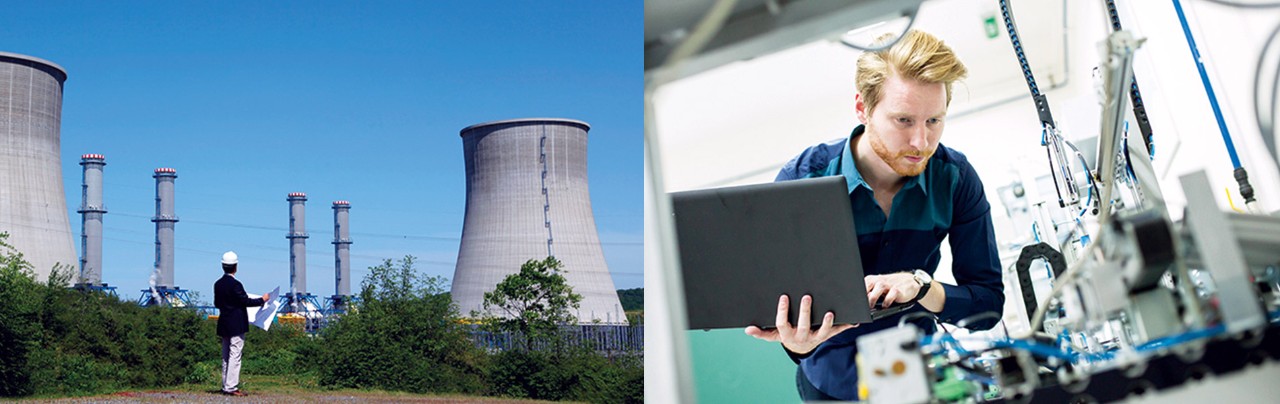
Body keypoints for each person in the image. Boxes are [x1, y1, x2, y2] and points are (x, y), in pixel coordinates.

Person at [744, 29, 1005, 401]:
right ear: (862, 109)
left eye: (934, 121)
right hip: (831, 384)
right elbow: (784, 315)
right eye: (904, 121)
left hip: (918, 377)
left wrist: (920, 285)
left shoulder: (956, 178)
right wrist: (797, 341)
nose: (921, 142)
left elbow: (987, 303)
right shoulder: (800, 181)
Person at [213, 251, 270, 396]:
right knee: (235, 354)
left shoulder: (218, 284)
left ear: (223, 266)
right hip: (236, 323)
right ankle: (231, 387)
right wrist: (262, 300)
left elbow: (217, 303)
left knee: (226, 355)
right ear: (235, 267)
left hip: (224, 322)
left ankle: (226, 384)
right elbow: (245, 301)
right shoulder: (236, 284)